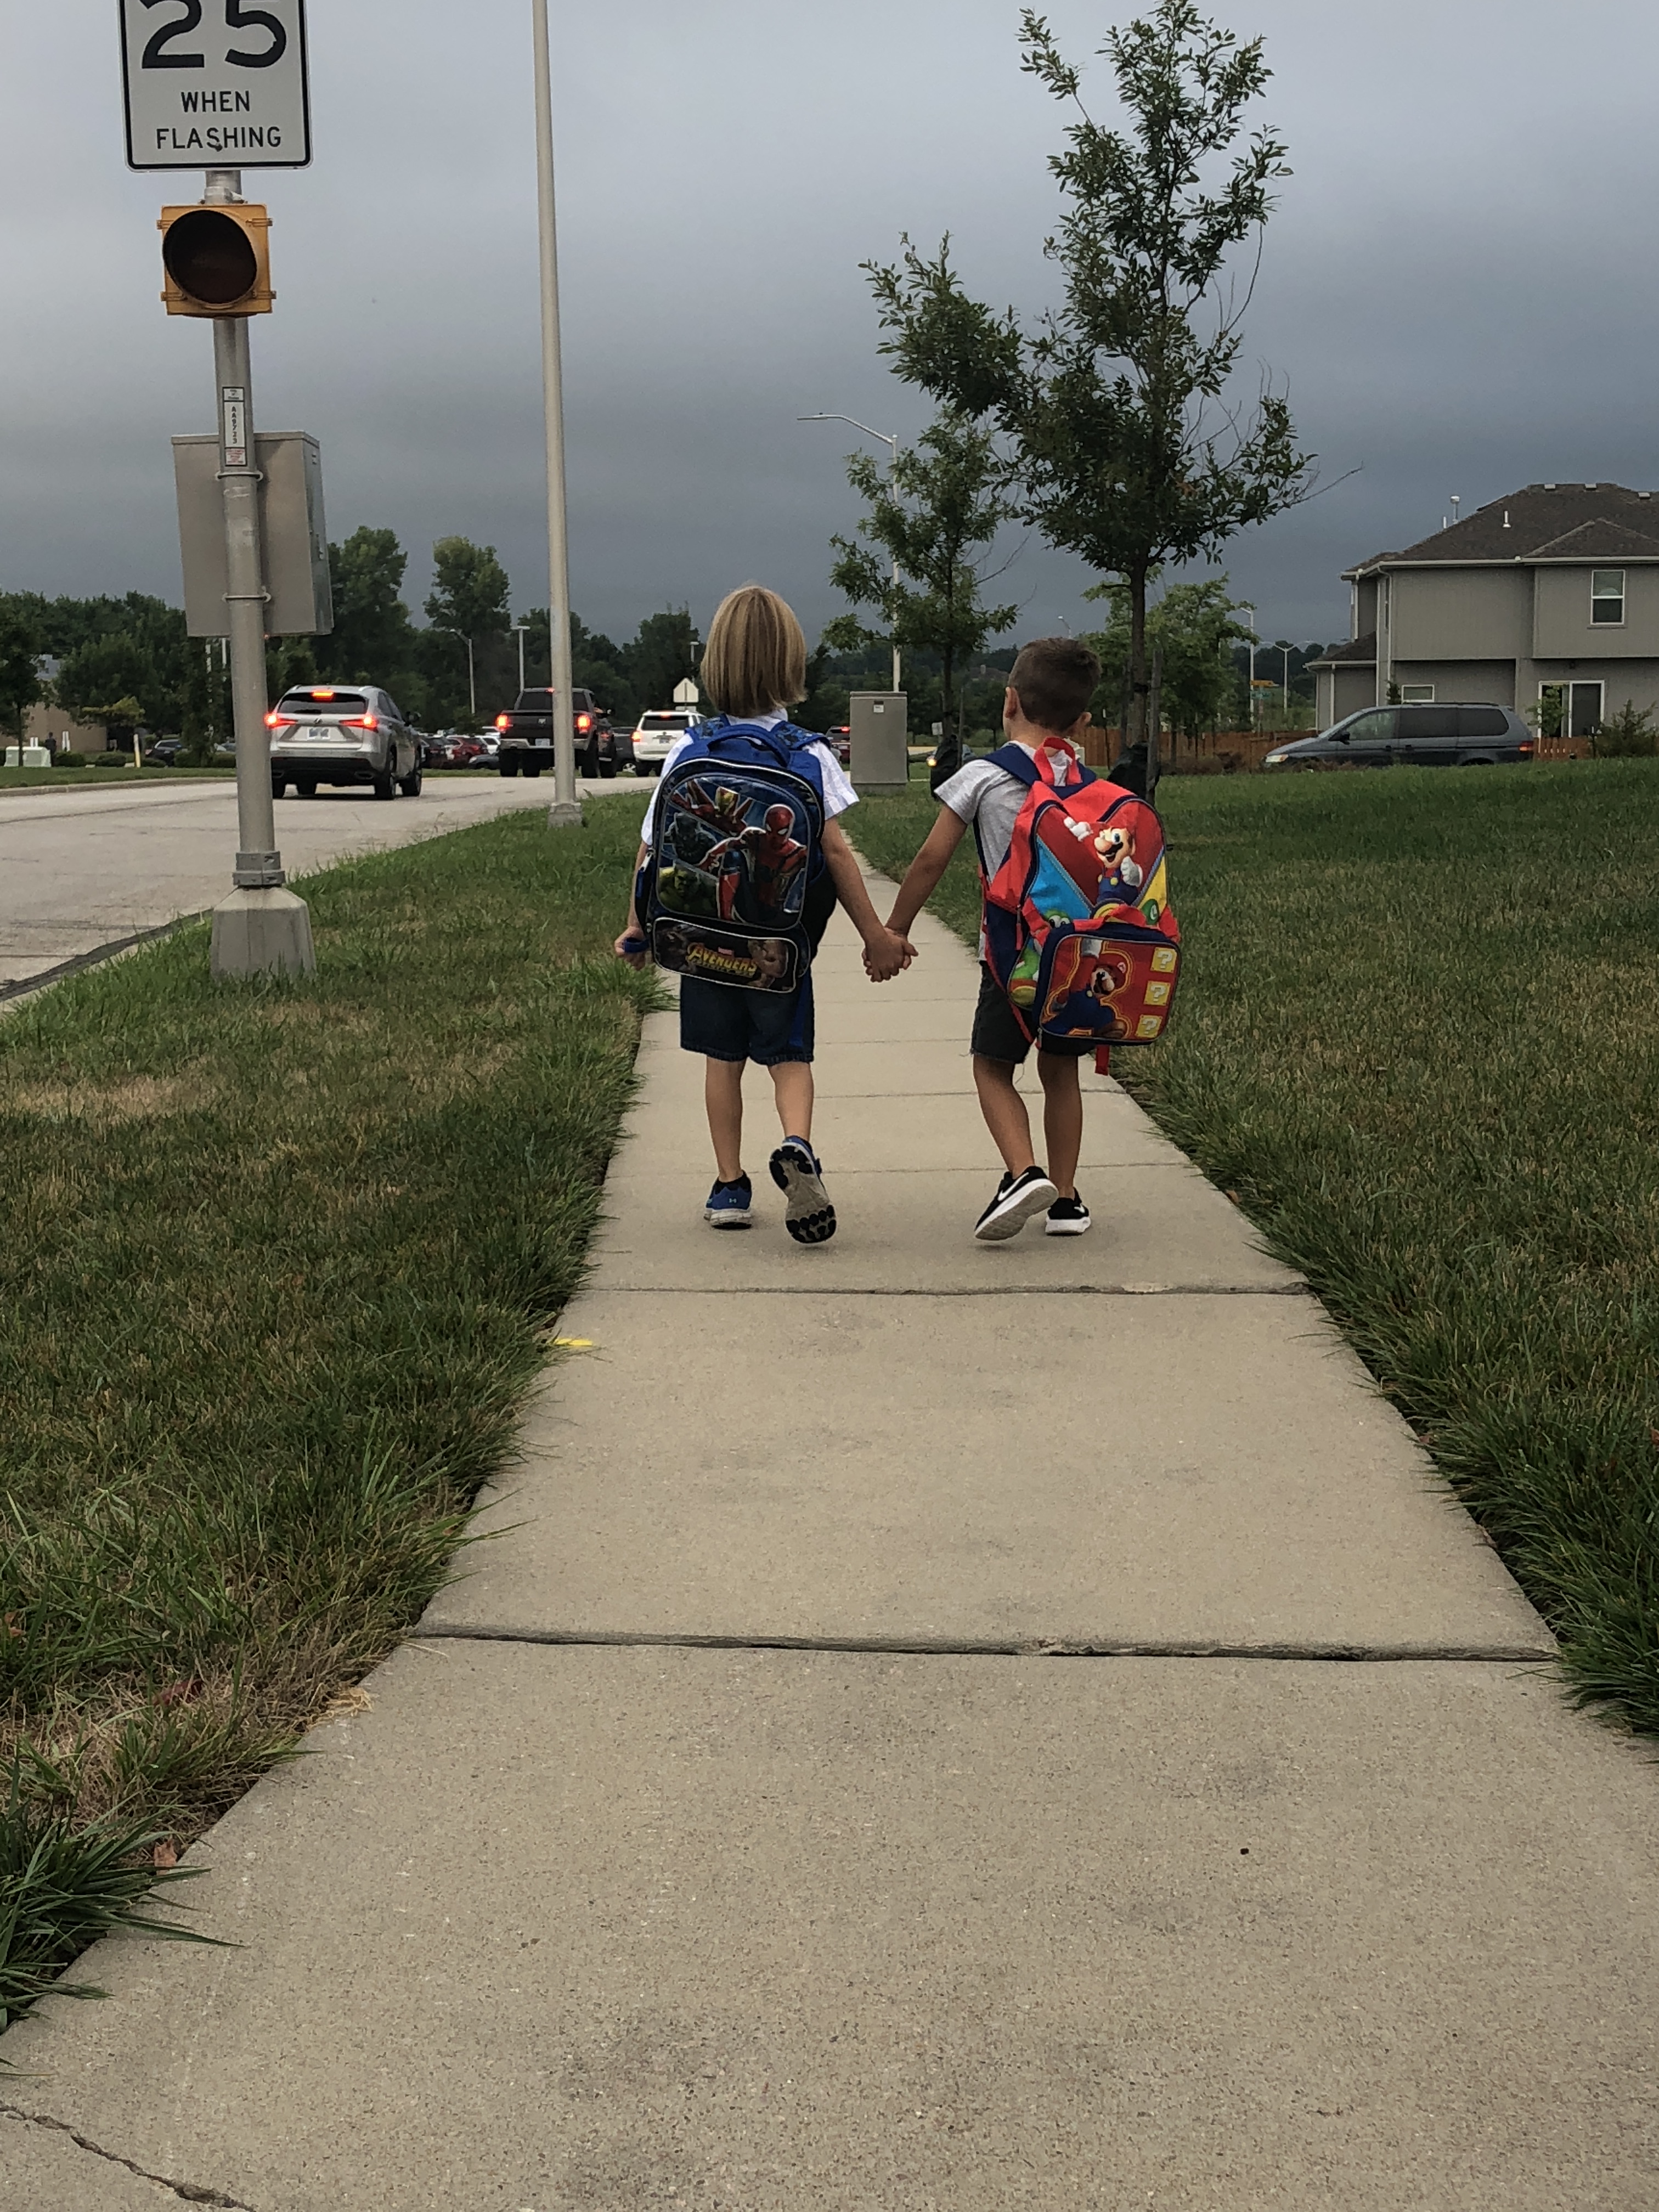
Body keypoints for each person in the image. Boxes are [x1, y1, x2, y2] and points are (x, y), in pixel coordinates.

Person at [617, 584, 913, 1242]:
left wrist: (638, 926)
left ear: (714, 664)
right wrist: (876, 936)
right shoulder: (808, 754)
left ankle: (729, 1185)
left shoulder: (688, 750)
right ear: (791, 664)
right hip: (781, 948)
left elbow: (651, 847)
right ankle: (798, 1144)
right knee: (789, 1058)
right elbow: (836, 853)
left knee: (720, 1061)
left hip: (702, 942)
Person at [879, 635, 1103, 1243]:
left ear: (1009, 702)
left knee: (992, 1066)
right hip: (1078, 959)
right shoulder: (1088, 784)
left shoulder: (982, 776)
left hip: (1012, 960)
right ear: (1081, 722)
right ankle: (1066, 1200)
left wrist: (895, 928)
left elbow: (931, 859)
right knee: (1061, 1072)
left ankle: (1023, 1171)